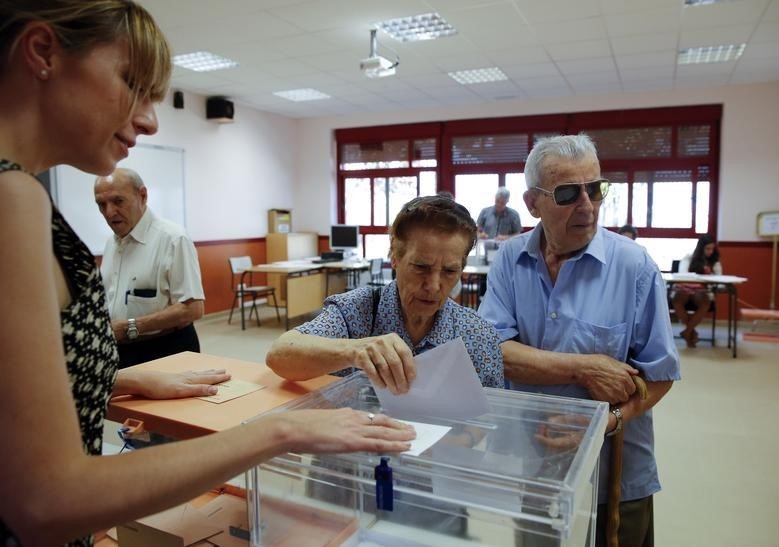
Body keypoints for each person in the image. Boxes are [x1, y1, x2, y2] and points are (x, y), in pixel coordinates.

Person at [0, 3, 413, 546]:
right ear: (43, 52)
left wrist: (114, 379)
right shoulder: (13, 199)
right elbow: (46, 498)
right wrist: (280, 430)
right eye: (132, 84)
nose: (149, 119)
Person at [478, 134, 680, 547]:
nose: (587, 205)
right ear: (532, 203)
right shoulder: (510, 262)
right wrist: (584, 367)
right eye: (568, 193)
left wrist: (606, 423)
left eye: (596, 189)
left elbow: (659, 375)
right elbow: (493, 351)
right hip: (534, 466)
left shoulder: (635, 267)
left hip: (615, 479)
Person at [267, 195, 504, 394]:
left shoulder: (477, 335)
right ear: (395, 257)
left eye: (450, 271)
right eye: (421, 267)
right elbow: (280, 354)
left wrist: (455, 442)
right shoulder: (355, 313)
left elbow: (493, 416)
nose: (433, 286)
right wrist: (355, 350)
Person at [95, 167, 204, 368]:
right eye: (101, 204)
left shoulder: (173, 239)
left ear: (142, 195)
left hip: (166, 350)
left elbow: (193, 309)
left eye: (118, 201)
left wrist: (131, 327)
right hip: (120, 351)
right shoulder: (111, 244)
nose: (109, 212)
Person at [672, 234, 722, 347]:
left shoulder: (715, 261)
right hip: (685, 288)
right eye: (708, 249)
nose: (710, 251)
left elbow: (718, 277)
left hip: (702, 291)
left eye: (712, 249)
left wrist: (708, 275)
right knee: (677, 299)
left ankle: (687, 332)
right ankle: (691, 332)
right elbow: (682, 275)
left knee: (705, 301)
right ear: (701, 248)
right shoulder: (689, 258)